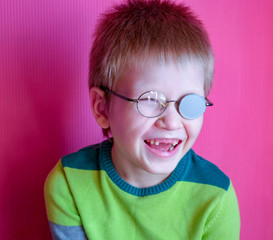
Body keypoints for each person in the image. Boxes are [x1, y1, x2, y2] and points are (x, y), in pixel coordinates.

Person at [44, 0, 240, 239]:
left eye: (189, 102)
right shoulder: (70, 180)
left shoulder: (216, 195)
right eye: (150, 99)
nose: (171, 122)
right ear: (102, 108)